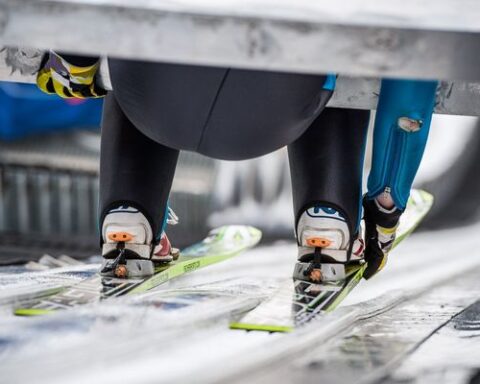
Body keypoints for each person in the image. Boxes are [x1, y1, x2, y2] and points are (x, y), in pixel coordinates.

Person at [36, 51, 436, 281]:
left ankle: (129, 217)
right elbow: (412, 65)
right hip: (271, 111)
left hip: (150, 101)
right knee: (345, 40)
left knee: (146, 35)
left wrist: (75, 56)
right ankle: (328, 220)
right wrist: (387, 201)